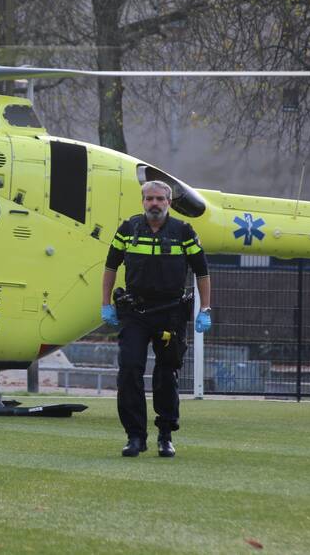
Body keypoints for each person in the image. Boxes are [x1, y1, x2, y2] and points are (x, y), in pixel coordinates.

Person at [101, 180, 212, 458]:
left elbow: (202, 272)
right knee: (129, 371)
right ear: (142, 202)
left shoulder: (184, 232)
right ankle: (135, 437)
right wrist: (105, 305)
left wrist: (205, 310)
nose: (154, 203)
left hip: (170, 313)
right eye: (149, 198)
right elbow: (110, 266)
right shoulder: (128, 229)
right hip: (135, 313)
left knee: (165, 374)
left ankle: (165, 434)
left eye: (160, 199)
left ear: (169, 202)